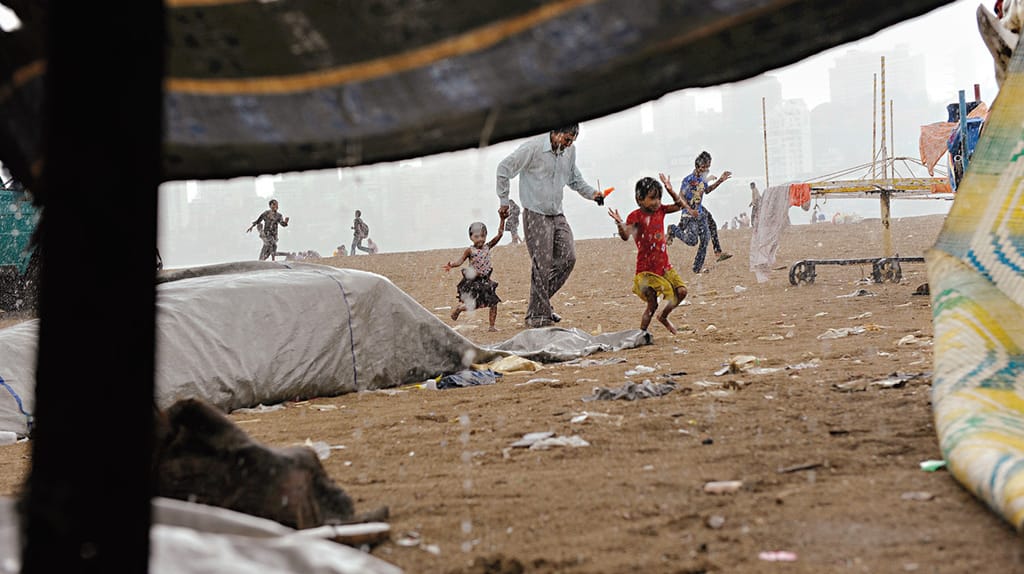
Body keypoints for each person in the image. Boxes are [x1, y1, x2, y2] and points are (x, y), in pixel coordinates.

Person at [496, 123, 604, 328]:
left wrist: (593, 194)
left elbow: (575, 180)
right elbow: (503, 169)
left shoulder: (569, 151)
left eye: (572, 141)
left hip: (557, 213)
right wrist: (503, 200)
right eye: (566, 140)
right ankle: (538, 315)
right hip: (535, 213)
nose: (568, 145)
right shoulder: (533, 148)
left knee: (567, 258)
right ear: (555, 133)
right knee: (542, 265)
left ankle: (538, 307)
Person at [607, 174, 688, 334]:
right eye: (652, 198)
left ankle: (664, 317)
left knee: (682, 292)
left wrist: (671, 190)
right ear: (639, 199)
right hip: (646, 271)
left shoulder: (661, 210)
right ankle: (641, 333)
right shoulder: (635, 216)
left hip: (664, 267)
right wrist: (619, 223)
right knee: (652, 304)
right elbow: (625, 236)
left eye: (659, 198)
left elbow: (681, 206)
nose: (656, 202)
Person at [666, 151, 732, 273]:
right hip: (688, 214)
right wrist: (690, 210)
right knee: (692, 241)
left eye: (708, 167)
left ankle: (698, 267)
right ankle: (673, 229)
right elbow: (680, 198)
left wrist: (720, 181)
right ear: (697, 167)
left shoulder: (702, 180)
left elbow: (707, 190)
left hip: (700, 213)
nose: (706, 170)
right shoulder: (688, 180)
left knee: (706, 238)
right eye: (703, 167)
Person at [443, 214, 507, 331]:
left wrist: (502, 219)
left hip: (486, 280)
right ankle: (459, 309)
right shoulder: (470, 250)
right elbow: (460, 261)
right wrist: (451, 264)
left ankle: (492, 326)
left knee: (493, 302)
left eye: (483, 236)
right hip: (474, 282)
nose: (480, 239)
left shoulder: (488, 246)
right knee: (474, 305)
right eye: (476, 236)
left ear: (486, 236)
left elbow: (500, 234)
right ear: (471, 237)